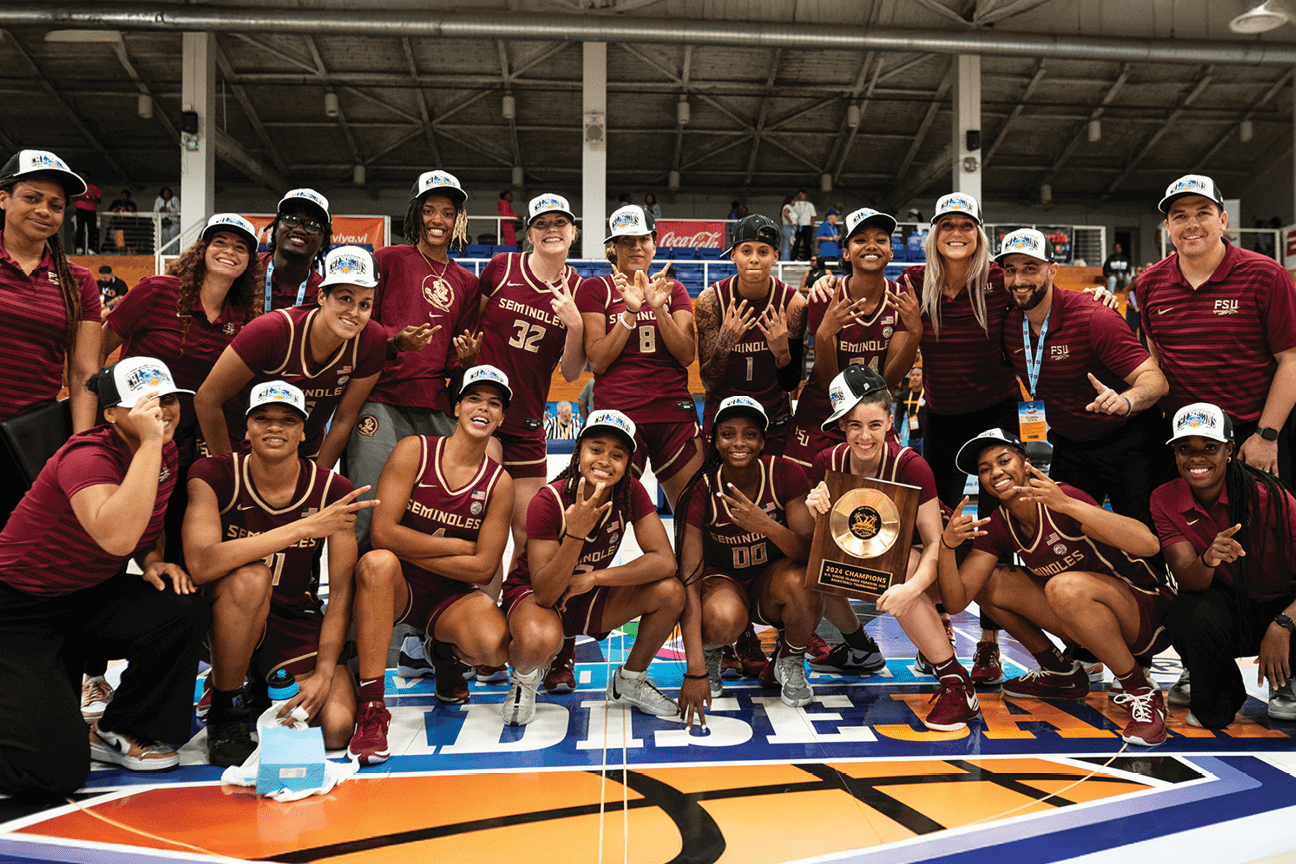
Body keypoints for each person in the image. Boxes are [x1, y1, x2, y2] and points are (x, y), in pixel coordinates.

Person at [0, 357, 208, 798]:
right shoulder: (87, 456)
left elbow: (146, 525)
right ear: (111, 414)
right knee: (52, 774)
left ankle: (121, 730)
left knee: (179, 602)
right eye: (146, 403)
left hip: (89, 594)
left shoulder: (163, 450)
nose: (162, 411)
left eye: (169, 399)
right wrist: (151, 443)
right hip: (18, 609)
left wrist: (152, 559)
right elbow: (115, 537)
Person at [938, 428, 1176, 746]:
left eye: (1003, 460)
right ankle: (1061, 673)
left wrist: (1068, 506)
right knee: (989, 582)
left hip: (1146, 612)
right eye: (984, 469)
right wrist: (946, 545)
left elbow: (1148, 545)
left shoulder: (1062, 497)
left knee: (1063, 587)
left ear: (1025, 464)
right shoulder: (999, 522)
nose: (995, 472)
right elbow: (957, 601)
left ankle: (1141, 691)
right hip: (1086, 619)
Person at [183, 381, 369, 765]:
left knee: (335, 727)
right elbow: (201, 564)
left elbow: (341, 593)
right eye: (262, 418)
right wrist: (300, 529)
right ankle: (226, 706)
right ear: (247, 427)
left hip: (291, 617)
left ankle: (257, 684)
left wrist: (322, 673)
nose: (274, 427)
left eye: (288, 420)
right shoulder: (213, 473)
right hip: (222, 614)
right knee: (251, 578)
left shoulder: (332, 489)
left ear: (304, 431)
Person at [346, 366, 515, 763]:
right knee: (377, 564)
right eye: (474, 398)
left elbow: (485, 569)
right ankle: (372, 708)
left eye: (494, 403)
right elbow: (383, 534)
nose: (483, 408)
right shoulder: (415, 450)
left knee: (493, 646)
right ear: (456, 407)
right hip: (401, 584)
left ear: (502, 417)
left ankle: (442, 649)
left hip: (448, 597)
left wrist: (421, 548)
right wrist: (457, 546)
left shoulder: (499, 482)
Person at [804, 366, 979, 730]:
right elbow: (819, 543)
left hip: (940, 564)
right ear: (841, 425)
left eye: (874, 425)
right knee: (813, 569)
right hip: (878, 558)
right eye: (854, 425)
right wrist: (813, 510)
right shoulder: (827, 463)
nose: (864, 436)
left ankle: (956, 682)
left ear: (889, 423)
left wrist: (911, 590)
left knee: (899, 575)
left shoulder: (910, 465)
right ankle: (863, 647)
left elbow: (935, 544)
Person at [499, 410, 683, 726]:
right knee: (537, 642)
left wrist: (595, 578)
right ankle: (525, 679)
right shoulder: (549, 501)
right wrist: (575, 532)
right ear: (579, 452)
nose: (605, 460)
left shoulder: (631, 492)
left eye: (617, 454)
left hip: (587, 591)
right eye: (596, 449)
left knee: (671, 592)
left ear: (628, 464)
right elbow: (544, 593)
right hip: (536, 595)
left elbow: (664, 560)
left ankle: (631, 679)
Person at [102, 213, 262, 568]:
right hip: (132, 433)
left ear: (250, 262)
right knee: (112, 534)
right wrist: (104, 410)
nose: (229, 252)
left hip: (188, 441)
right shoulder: (156, 291)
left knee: (173, 537)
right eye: (219, 242)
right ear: (202, 248)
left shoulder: (244, 317)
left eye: (240, 247)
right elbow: (101, 345)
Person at [997, 228, 1169, 527]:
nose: (1019, 280)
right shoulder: (1009, 324)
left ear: (1052, 270)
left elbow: (1156, 381)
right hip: (1070, 444)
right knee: (1069, 537)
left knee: (1142, 538)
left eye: (1030, 268)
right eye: (1010, 270)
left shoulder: (1094, 317)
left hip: (1127, 440)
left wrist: (1125, 400)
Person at [347, 170, 478, 553]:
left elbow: (456, 362)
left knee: (425, 517)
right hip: (381, 400)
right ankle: (354, 607)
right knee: (366, 513)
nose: (438, 220)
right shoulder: (386, 260)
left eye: (448, 212)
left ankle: (410, 607)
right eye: (430, 210)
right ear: (416, 214)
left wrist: (468, 362)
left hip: (434, 407)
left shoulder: (466, 283)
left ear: (458, 220)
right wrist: (394, 341)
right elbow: (358, 329)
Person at [1139, 174, 1296, 486]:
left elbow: (1291, 360)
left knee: (1267, 529)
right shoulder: (1149, 283)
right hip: (1184, 438)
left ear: (1223, 220)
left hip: (1252, 433)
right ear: (1168, 228)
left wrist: (1266, 436)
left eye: (1203, 212)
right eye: (1179, 216)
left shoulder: (1266, 275)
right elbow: (1156, 360)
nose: (1191, 224)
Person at [675, 396, 821, 720]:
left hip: (770, 581)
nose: (739, 442)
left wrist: (765, 525)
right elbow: (689, 577)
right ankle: (714, 652)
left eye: (749, 434)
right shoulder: (701, 489)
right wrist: (695, 667)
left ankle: (789, 660)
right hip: (724, 582)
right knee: (723, 616)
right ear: (715, 440)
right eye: (729, 434)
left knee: (806, 584)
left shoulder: (785, 472)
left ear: (763, 440)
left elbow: (809, 551)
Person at [1153, 403, 1296, 729]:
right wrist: (1208, 558)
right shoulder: (1165, 498)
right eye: (1185, 448)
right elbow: (1189, 581)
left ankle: (1288, 677)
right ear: (1175, 453)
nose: (1196, 458)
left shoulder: (1271, 497)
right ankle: (1213, 688)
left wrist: (1283, 623)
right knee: (1184, 610)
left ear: (1229, 449)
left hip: (1285, 605)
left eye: (1210, 447)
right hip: (1231, 605)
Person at [468, 193, 586, 578]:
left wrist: (576, 325)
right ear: (529, 233)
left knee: (528, 533)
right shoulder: (502, 268)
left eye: (559, 223)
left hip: (530, 421)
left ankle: (518, 611)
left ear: (573, 232)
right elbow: (472, 327)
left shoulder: (579, 290)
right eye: (542, 224)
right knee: (484, 530)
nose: (551, 230)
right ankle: (475, 621)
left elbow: (571, 373)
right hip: (484, 415)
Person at [194, 245, 386, 470]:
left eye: (365, 304)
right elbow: (206, 399)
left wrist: (319, 481)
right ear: (322, 296)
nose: (354, 312)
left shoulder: (372, 340)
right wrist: (227, 470)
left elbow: (344, 419)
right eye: (345, 298)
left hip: (302, 451)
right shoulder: (272, 331)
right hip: (239, 444)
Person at [578, 203, 703, 510]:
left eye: (643, 239)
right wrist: (631, 311)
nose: (636, 247)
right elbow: (598, 360)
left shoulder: (674, 291)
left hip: (673, 414)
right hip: (619, 417)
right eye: (626, 240)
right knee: (600, 516)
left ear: (654, 242)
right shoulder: (595, 289)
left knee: (695, 514)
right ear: (613, 246)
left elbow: (686, 355)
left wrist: (658, 307)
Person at [0, 149, 102, 522]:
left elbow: (83, 373)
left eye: (56, 205)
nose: (45, 210)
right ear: (3, 198)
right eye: (32, 198)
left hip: (27, 439)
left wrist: (80, 445)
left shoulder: (79, 282)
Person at [786, 207, 919, 467]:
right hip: (821, 416)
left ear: (891, 251)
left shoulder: (902, 298)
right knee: (805, 501)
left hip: (873, 418)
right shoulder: (826, 295)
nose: (872, 246)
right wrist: (824, 334)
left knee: (884, 501)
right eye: (860, 240)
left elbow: (890, 380)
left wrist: (915, 332)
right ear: (846, 252)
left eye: (881, 239)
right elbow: (828, 384)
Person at [695, 213, 806, 458]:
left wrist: (782, 353)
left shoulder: (793, 304)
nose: (754, 259)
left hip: (773, 421)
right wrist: (724, 344)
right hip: (723, 419)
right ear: (733, 254)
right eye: (746, 251)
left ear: (776, 256)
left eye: (763, 252)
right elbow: (708, 382)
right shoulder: (710, 302)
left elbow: (792, 382)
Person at [258, 188, 330, 311]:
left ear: (322, 242)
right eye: (291, 219)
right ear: (275, 229)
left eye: (313, 225)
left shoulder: (323, 295)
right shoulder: (246, 269)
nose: (299, 229)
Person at [895, 364, 927, 454]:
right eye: (913, 375)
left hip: (926, 435)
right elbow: (898, 415)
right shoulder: (904, 395)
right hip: (912, 435)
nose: (915, 378)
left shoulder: (927, 395)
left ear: (923, 377)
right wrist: (897, 431)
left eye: (918, 375)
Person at [73, 174, 100, 254]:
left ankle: (91, 248)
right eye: (81, 176)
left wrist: (92, 198)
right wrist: (82, 197)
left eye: (84, 176)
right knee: (80, 229)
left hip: (91, 210)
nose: (83, 178)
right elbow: (73, 197)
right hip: (80, 209)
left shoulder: (94, 188)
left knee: (92, 230)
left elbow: (99, 200)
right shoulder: (78, 186)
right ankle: (79, 247)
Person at [108, 189, 138, 254]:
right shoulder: (116, 202)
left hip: (130, 229)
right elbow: (110, 210)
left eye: (125, 196)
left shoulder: (131, 204)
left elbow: (135, 212)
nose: (123, 197)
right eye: (122, 195)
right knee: (122, 248)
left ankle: (135, 262)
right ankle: (123, 263)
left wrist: (131, 210)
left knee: (132, 247)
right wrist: (114, 210)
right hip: (119, 227)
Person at [789, 190, 816, 261]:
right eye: (800, 195)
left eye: (803, 195)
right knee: (796, 242)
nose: (801, 197)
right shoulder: (795, 204)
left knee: (807, 243)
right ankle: (793, 258)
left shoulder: (809, 204)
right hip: (798, 225)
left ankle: (808, 258)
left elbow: (813, 216)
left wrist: (812, 225)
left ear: (805, 195)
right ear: (798, 196)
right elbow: (790, 213)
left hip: (807, 225)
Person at [153, 186, 180, 253]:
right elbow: (155, 211)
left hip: (174, 223)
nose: (166, 195)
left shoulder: (174, 199)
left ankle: (174, 255)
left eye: (168, 193)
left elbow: (179, 210)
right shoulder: (159, 200)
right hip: (164, 223)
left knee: (174, 240)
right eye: (164, 193)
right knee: (165, 240)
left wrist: (169, 210)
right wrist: (160, 210)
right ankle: (168, 256)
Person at [780, 196, 795, 261]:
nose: (794, 202)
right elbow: (786, 214)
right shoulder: (788, 206)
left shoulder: (789, 207)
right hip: (788, 227)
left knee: (789, 244)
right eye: (793, 201)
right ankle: (786, 260)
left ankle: (787, 259)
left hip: (787, 227)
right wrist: (790, 222)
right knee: (788, 245)